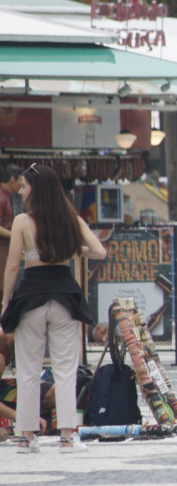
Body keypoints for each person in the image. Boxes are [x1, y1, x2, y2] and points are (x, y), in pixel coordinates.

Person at [1, 164, 107, 453]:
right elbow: (100, 250)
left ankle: (27, 437)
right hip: (64, 296)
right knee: (65, 368)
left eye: (24, 186)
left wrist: (5, 302)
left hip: (30, 296)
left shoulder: (22, 221)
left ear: (36, 189)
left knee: (27, 369)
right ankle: (67, 435)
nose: (21, 191)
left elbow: (12, 266)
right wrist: (74, 251)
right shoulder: (70, 219)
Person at [0, 165, 22, 296]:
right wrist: (14, 235)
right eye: (21, 182)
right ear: (12, 179)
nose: (21, 186)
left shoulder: (5, 196)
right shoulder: (2, 197)